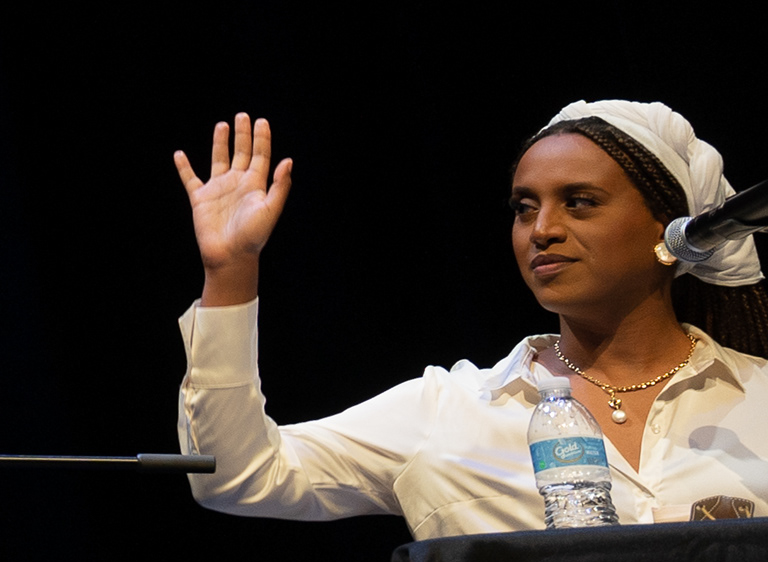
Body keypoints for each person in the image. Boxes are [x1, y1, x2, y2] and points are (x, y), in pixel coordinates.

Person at [173, 102, 768, 534]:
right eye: (523, 207)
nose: (543, 230)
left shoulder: (757, 398)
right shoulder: (449, 413)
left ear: (671, 229)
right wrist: (230, 270)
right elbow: (237, 476)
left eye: (580, 202)